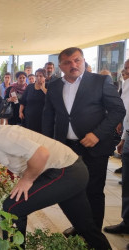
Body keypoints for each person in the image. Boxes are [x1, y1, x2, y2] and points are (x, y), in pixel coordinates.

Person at [0, 109, 111, 250]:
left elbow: (41, 154)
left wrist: (26, 180)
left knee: (11, 208)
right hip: (71, 170)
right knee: (85, 226)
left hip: (65, 171)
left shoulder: (2, 136)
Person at [42, 47, 125, 236]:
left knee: (93, 191)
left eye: (77, 60)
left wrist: (97, 134)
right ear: (60, 66)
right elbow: (48, 117)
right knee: (72, 190)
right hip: (66, 148)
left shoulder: (100, 81)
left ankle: (93, 233)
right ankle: (79, 226)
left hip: (94, 146)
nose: (74, 65)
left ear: (84, 60)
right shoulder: (54, 86)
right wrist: (49, 145)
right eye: (68, 62)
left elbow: (118, 111)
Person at [103, 60, 129, 243]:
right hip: (128, 135)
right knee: (127, 183)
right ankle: (127, 222)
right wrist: (124, 138)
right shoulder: (126, 85)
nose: (126, 71)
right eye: (126, 68)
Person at [19, 68, 47, 133]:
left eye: (41, 76)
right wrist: (20, 112)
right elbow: (23, 101)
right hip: (28, 117)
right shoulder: (30, 87)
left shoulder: (48, 86)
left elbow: (51, 98)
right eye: (37, 76)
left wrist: (43, 89)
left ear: (45, 77)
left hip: (42, 119)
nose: (38, 78)